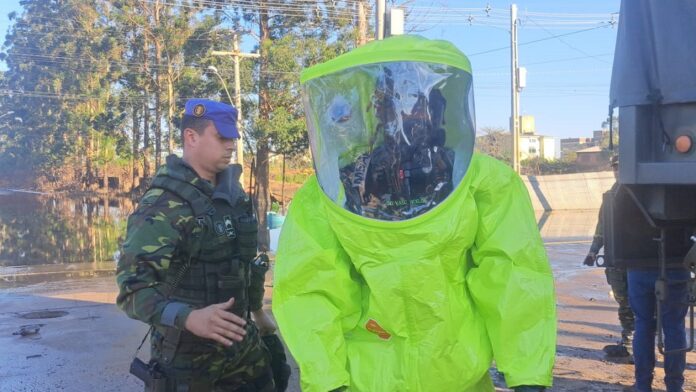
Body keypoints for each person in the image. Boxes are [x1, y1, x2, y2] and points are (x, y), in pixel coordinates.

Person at [273, 35, 556, 392]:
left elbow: (514, 275)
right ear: (374, 110)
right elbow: (310, 289)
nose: (405, 118)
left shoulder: (483, 183)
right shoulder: (333, 192)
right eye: (391, 104)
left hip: (460, 379)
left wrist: (527, 374)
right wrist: (329, 380)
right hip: (366, 383)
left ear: (440, 108)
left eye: (418, 103)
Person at [116, 99, 279, 391]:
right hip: (188, 360)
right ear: (191, 137)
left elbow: (244, 264)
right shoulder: (163, 205)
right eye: (222, 137)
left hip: (243, 348)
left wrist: (256, 311)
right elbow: (132, 291)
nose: (231, 145)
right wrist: (188, 317)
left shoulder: (234, 195)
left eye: (233, 138)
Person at [583, 155, 635, 360]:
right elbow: (601, 229)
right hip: (616, 261)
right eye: (615, 168)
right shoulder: (609, 197)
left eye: (621, 167)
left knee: (642, 303)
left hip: (639, 260)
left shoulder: (643, 193)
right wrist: (593, 251)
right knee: (624, 302)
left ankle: (642, 344)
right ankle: (629, 343)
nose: (617, 171)